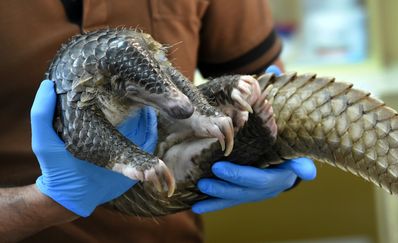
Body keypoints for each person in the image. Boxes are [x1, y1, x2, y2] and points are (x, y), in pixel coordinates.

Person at [0, 0, 316, 242]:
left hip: (171, 228)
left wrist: (276, 144)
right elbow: (87, 131)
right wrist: (46, 203)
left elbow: (260, 77)